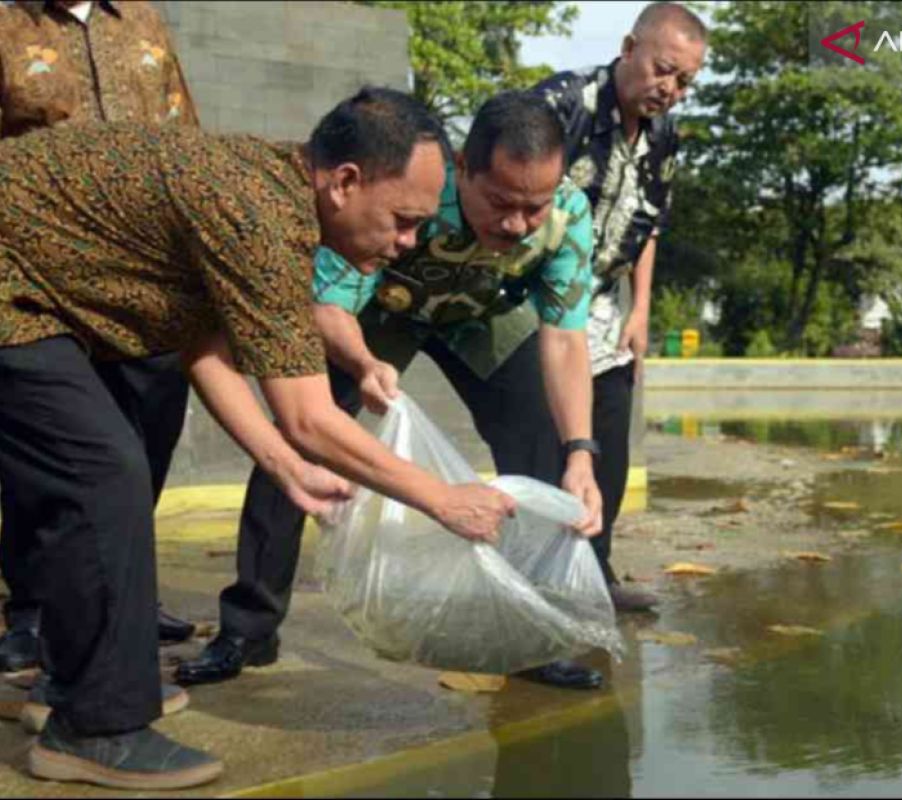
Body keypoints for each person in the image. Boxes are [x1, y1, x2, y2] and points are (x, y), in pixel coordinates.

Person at [0, 86, 515, 790]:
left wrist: (280, 464)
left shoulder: (265, 192)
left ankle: (76, 687)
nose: (409, 243)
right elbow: (308, 415)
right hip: (10, 290)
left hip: (27, 289)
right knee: (102, 474)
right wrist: (442, 499)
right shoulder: (257, 213)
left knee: (94, 474)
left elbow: (203, 347)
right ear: (345, 182)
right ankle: (95, 727)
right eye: (403, 220)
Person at [176, 91, 608, 691]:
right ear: (463, 170)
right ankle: (249, 628)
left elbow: (563, 339)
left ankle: (533, 633)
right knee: (303, 440)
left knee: (540, 439)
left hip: (484, 314)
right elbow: (327, 304)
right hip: (377, 313)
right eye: (501, 202)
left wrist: (582, 451)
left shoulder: (567, 218)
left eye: (533, 207)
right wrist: (360, 362)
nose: (516, 223)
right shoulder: (412, 188)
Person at [0, 0, 201, 678]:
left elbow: (186, 131)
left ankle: (122, 595)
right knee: (58, 455)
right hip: (43, 280)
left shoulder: (143, 20)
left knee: (147, 435)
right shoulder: (5, 26)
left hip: (146, 276)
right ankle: (33, 609)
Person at [533, 1, 707, 611]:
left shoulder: (663, 135)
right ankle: (543, 583)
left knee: (609, 440)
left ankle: (596, 576)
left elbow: (649, 223)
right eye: (664, 70)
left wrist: (641, 311)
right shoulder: (563, 104)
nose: (671, 89)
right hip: (537, 296)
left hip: (606, 301)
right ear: (630, 47)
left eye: (686, 81)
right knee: (547, 442)